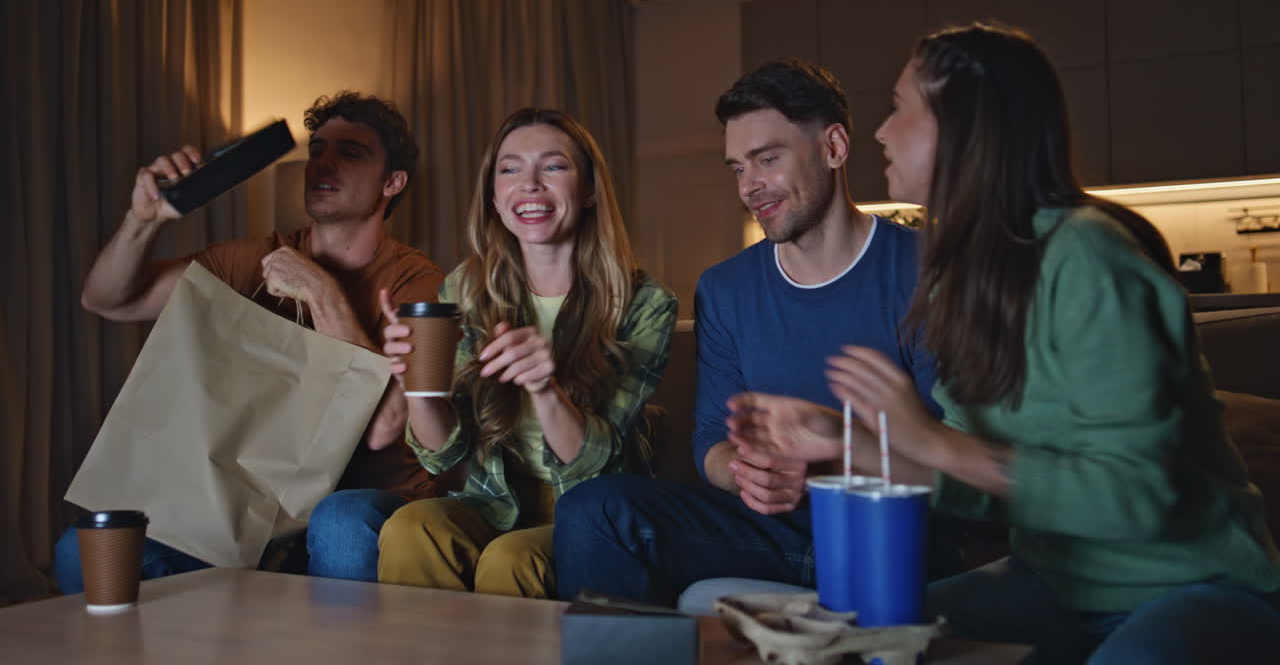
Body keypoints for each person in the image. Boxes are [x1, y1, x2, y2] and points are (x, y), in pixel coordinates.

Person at [727, 23, 1280, 664]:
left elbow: (1137, 497)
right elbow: (972, 482)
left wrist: (928, 437)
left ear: (967, 125)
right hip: (1054, 584)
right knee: (853, 647)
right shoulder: (965, 275)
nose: (880, 132)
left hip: (1194, 588)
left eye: (901, 107)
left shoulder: (1087, 254)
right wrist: (850, 445)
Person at [552, 58, 962, 607]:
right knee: (594, 508)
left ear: (834, 148)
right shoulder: (726, 288)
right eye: (737, 168)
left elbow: (959, 463)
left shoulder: (927, 272)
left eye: (767, 159)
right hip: (772, 531)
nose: (750, 186)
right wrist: (744, 471)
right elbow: (710, 441)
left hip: (889, 528)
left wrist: (830, 460)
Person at [56, 91, 444, 591]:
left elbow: (386, 425)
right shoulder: (255, 260)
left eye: (350, 153)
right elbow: (108, 299)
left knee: (342, 524)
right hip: (253, 501)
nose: (323, 163)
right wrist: (143, 220)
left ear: (392, 183)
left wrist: (323, 293)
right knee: (80, 552)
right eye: (318, 149)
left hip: (363, 496)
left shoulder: (419, 283)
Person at [376, 107, 677, 598]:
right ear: (494, 196)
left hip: (590, 511)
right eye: (510, 169)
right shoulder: (466, 289)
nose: (530, 184)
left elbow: (596, 463)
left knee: (511, 559)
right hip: (493, 498)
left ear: (590, 190)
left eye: (553, 167)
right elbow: (440, 455)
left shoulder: (645, 304)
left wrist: (545, 387)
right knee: (411, 527)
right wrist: (416, 383)